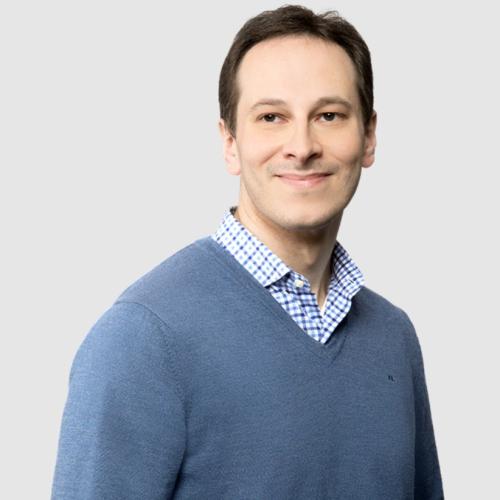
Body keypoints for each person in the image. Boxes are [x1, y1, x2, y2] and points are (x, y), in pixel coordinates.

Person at [51, 5, 444, 499]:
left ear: (368, 136)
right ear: (230, 143)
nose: (301, 146)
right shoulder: (143, 339)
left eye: (329, 115)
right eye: (271, 117)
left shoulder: (393, 337)